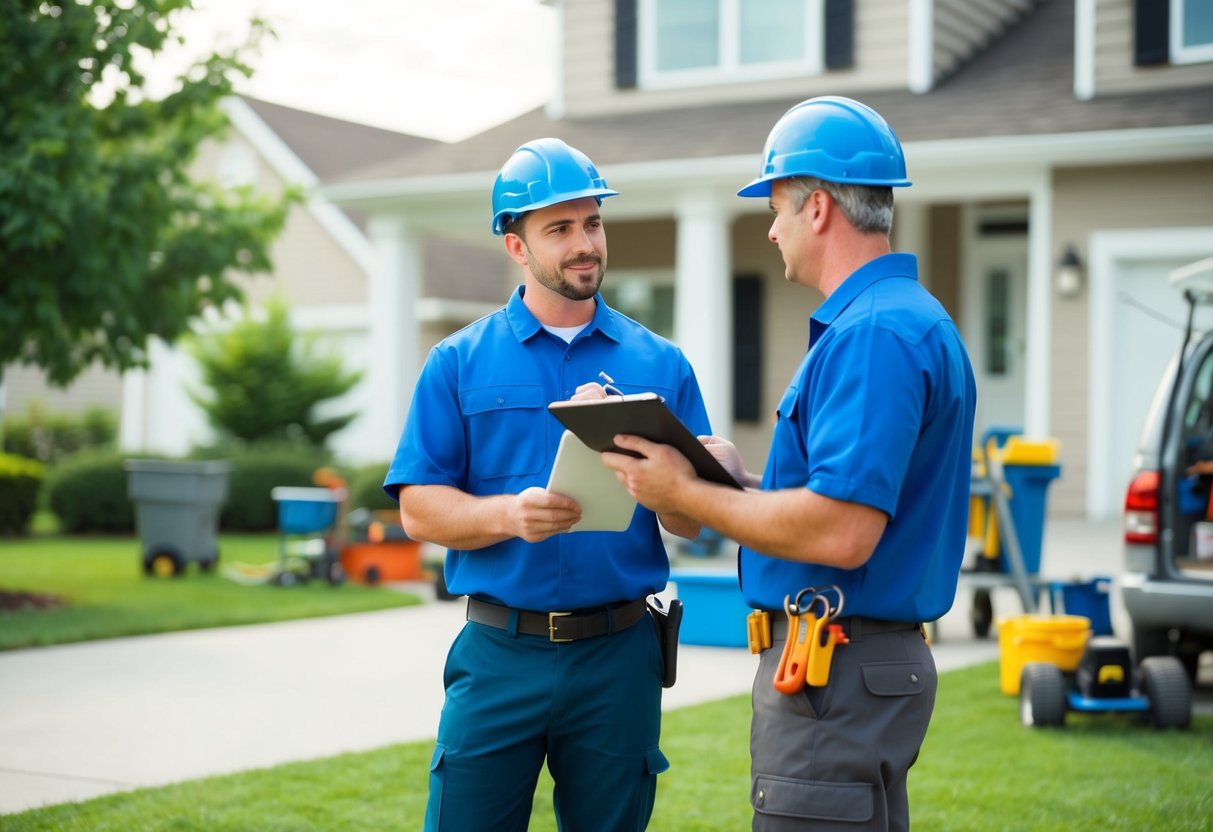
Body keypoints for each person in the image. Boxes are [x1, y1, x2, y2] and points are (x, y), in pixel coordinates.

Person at [602, 96, 977, 831]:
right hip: (853, 670)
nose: (768, 227)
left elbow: (840, 533)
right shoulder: (904, 318)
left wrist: (681, 490)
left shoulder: (874, 337)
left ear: (817, 209)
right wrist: (742, 483)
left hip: (831, 674)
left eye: (774, 205)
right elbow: (849, 504)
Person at [384, 137, 711, 831]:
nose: (583, 243)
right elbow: (417, 509)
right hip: (499, 655)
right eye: (558, 229)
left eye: (591, 223)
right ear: (516, 245)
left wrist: (661, 471)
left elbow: (694, 522)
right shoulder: (456, 362)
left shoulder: (662, 364)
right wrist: (508, 515)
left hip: (618, 660)